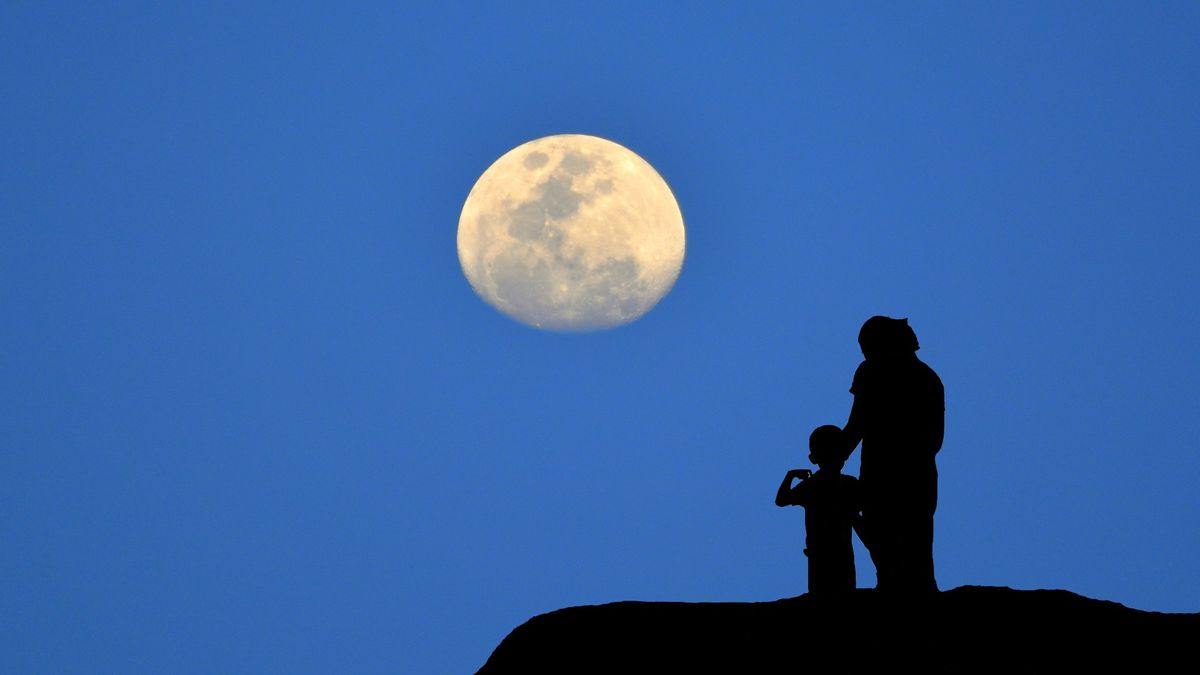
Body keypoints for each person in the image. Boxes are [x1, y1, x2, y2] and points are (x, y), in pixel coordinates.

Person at [841, 316, 944, 593]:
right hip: (909, 469)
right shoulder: (927, 376)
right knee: (909, 534)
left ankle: (902, 588)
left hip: (890, 468)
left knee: (900, 533)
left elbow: (856, 424)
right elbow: (934, 438)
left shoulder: (873, 372)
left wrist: (836, 456)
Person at [776, 425, 862, 594]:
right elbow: (781, 500)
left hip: (822, 554)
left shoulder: (813, 485)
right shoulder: (847, 484)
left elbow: (782, 500)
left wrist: (790, 475)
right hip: (837, 553)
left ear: (813, 458)